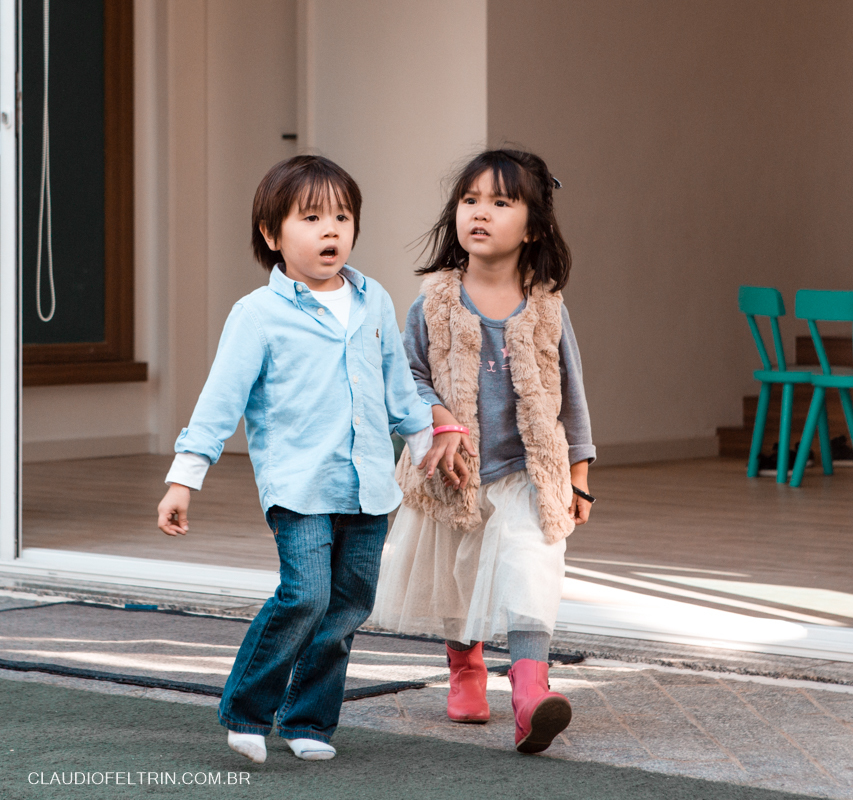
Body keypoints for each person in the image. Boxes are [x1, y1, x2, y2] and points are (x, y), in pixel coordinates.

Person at [155, 155, 434, 764]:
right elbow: (219, 400)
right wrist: (185, 477)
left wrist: (421, 438)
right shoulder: (258, 315)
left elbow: (397, 383)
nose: (330, 229)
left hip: (368, 488)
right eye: (311, 218)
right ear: (271, 234)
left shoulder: (374, 300)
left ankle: (308, 720)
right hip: (299, 489)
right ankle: (247, 711)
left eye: (342, 216)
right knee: (305, 596)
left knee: (349, 607)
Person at [369, 149, 595, 754]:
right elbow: (406, 376)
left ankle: (529, 693)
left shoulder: (548, 307)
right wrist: (438, 417)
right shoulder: (435, 302)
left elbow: (569, 393)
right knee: (456, 578)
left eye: (501, 202)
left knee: (531, 570)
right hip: (452, 472)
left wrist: (578, 472)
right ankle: (466, 671)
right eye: (470, 200)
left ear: (535, 226)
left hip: (528, 471)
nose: (481, 213)